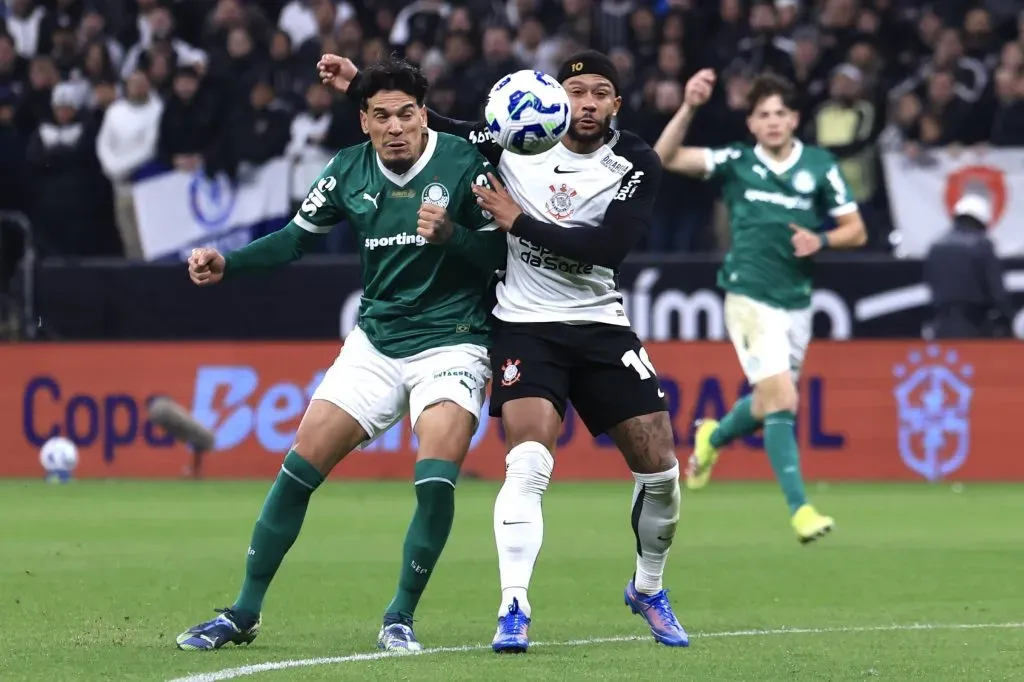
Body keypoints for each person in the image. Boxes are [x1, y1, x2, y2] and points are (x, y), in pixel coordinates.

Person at [319, 51, 689, 651]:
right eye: (575, 91)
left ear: (616, 104)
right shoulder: (512, 140)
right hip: (524, 325)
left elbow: (609, 248)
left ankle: (648, 588)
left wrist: (517, 221)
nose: (586, 103)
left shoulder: (635, 162)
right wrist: (358, 84)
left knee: (662, 470)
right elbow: (428, 124)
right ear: (554, 96)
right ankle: (513, 606)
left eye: (600, 93)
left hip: (600, 323)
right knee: (528, 460)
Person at [175, 56, 507, 654]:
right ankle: (243, 612)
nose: (396, 127)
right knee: (300, 466)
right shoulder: (347, 171)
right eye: (382, 116)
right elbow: (294, 240)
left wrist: (453, 237)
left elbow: (502, 257)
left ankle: (399, 615)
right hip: (376, 342)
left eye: (407, 113)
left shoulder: (464, 164)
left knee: (434, 478)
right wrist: (229, 263)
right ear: (365, 123)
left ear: (424, 116)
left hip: (453, 338)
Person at [653, 70, 867, 543]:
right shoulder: (736, 161)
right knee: (783, 398)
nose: (772, 122)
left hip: (797, 301)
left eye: (780, 114)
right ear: (751, 123)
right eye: (763, 115)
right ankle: (800, 510)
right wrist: (688, 106)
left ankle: (714, 436)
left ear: (793, 119)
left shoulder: (819, 165)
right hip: (749, 296)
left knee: (771, 398)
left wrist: (823, 238)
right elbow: (663, 157)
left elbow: (857, 229)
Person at [924, 194, 1017, 338]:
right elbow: (996, 289)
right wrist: (1008, 320)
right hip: (975, 325)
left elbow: (930, 281)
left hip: (941, 324)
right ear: (980, 221)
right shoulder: (981, 245)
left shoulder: (936, 246)